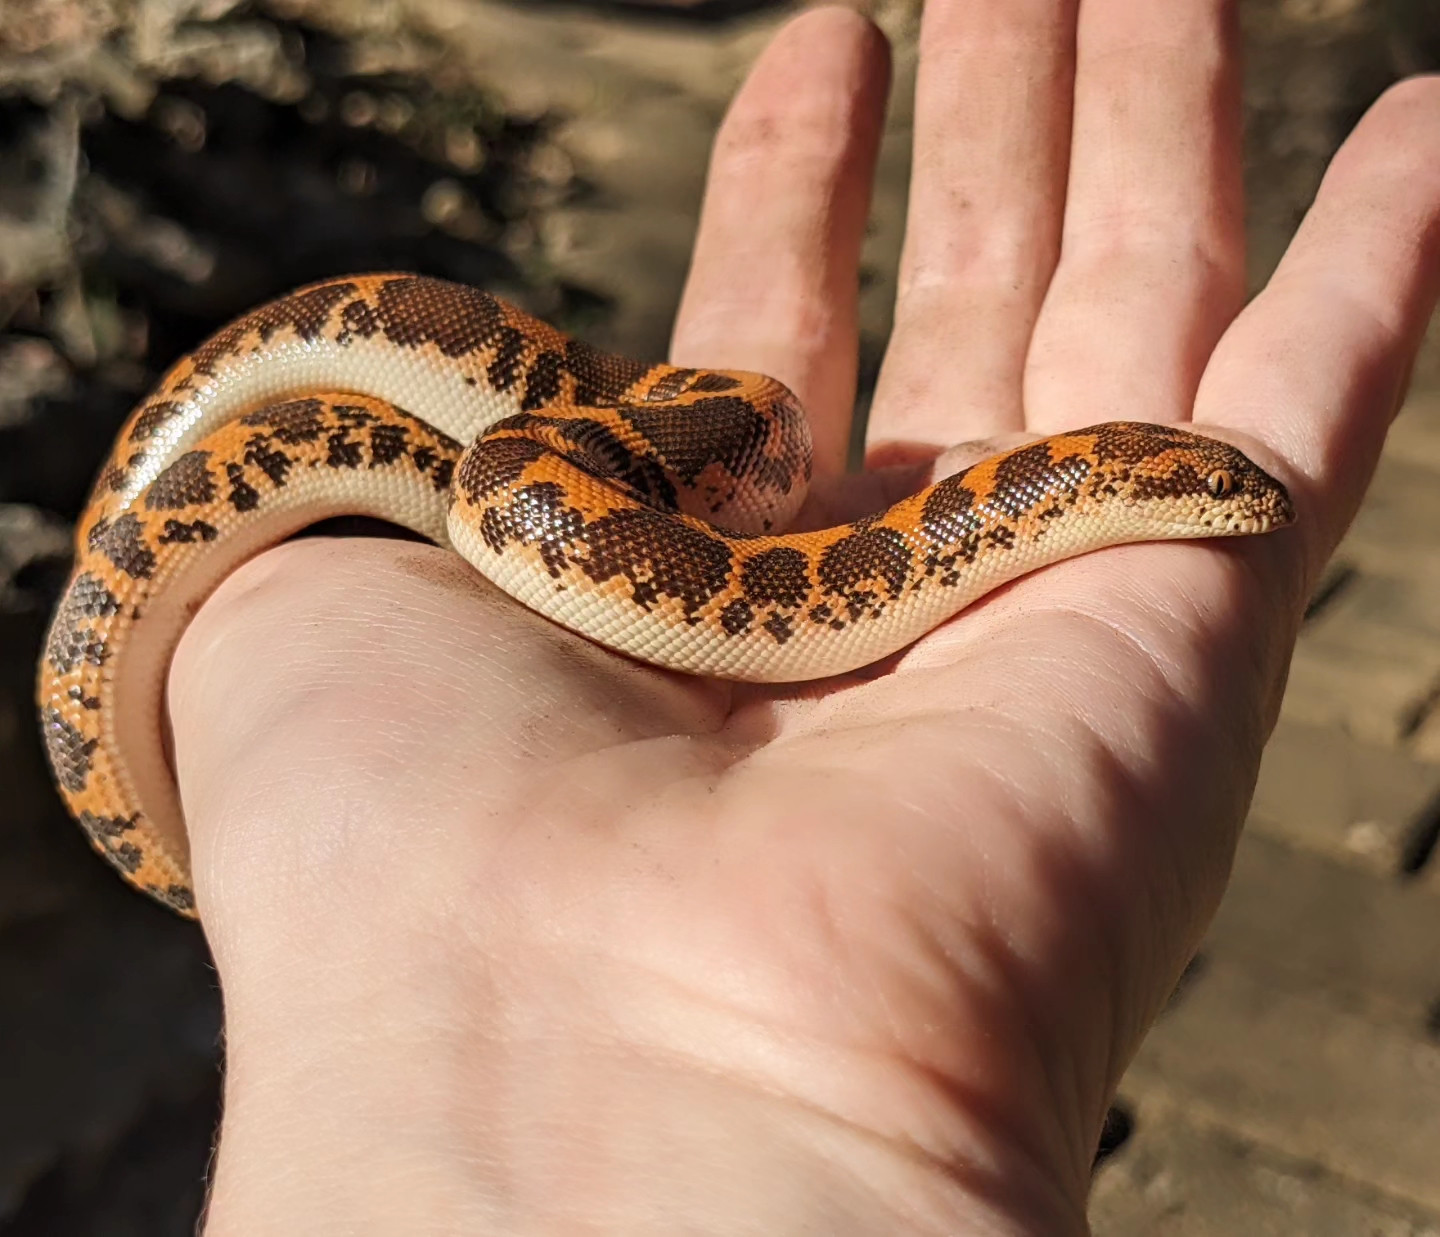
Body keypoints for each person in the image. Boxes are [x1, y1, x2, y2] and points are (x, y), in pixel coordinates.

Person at [174, 4, 1440, 1232]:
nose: (1238, 502)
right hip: (563, 468)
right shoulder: (566, 479)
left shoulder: (837, 522)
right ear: (1119, 484)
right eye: (1213, 484)